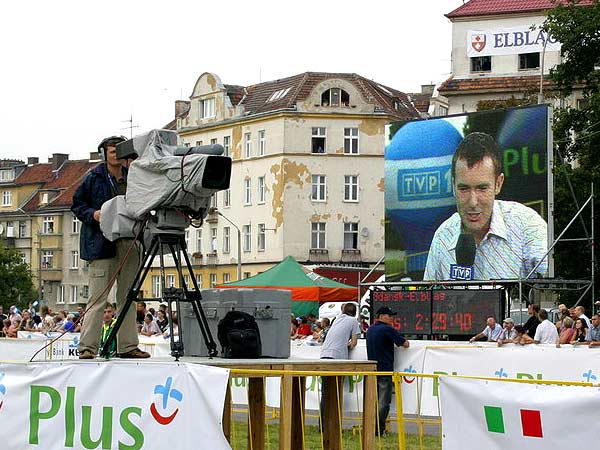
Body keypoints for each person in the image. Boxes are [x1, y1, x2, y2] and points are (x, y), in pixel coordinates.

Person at [424, 132, 548, 281]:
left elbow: (550, 295)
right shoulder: (443, 236)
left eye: (482, 188)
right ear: (453, 185)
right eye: (463, 189)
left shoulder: (529, 226)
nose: (473, 202)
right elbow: (429, 299)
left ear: (498, 184)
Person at [71, 135, 149, 360]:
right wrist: (92, 214)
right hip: (101, 242)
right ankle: (87, 348)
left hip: (129, 239)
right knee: (98, 297)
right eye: (113, 151)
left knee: (128, 296)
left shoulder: (133, 175)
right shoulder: (94, 177)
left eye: (120, 151)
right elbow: (77, 204)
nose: (117, 155)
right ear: (104, 153)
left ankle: (128, 346)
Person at [366, 307, 409, 436]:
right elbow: (405, 343)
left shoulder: (370, 329)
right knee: (383, 402)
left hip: (372, 369)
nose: (392, 318)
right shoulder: (387, 329)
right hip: (385, 369)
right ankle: (379, 429)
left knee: (373, 400)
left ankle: (371, 426)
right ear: (382, 316)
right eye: (390, 315)